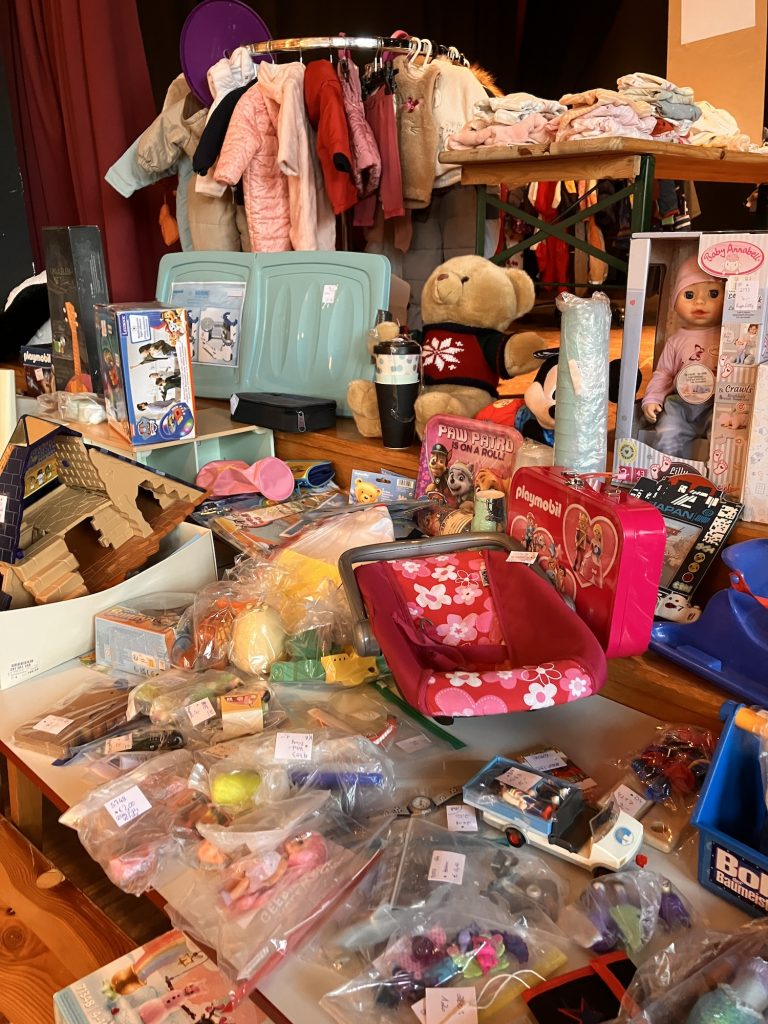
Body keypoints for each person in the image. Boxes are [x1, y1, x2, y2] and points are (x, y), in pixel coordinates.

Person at [641, 255, 724, 458]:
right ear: (675, 303)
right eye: (689, 295)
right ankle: (668, 470)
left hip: (717, 405)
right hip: (681, 405)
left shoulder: (729, 337)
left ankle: (718, 472)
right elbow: (664, 373)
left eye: (713, 294)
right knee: (667, 429)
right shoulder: (675, 341)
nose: (700, 301)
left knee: (724, 434)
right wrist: (652, 398)